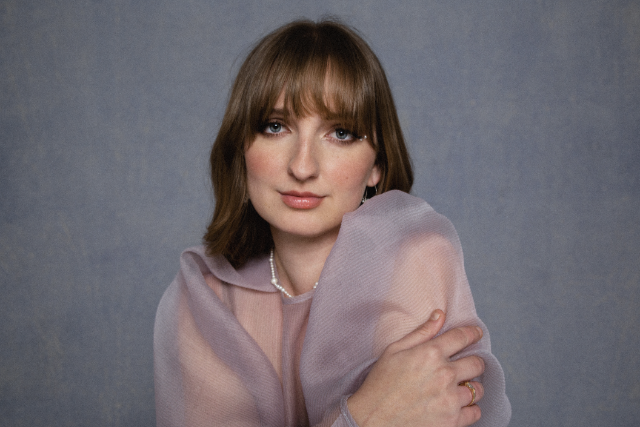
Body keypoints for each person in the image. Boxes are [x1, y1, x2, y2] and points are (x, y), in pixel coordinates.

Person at [154, 19, 511, 427]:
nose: (302, 166)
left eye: (340, 133)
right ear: (241, 149)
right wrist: (363, 416)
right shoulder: (207, 296)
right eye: (275, 127)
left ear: (376, 165)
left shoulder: (414, 263)